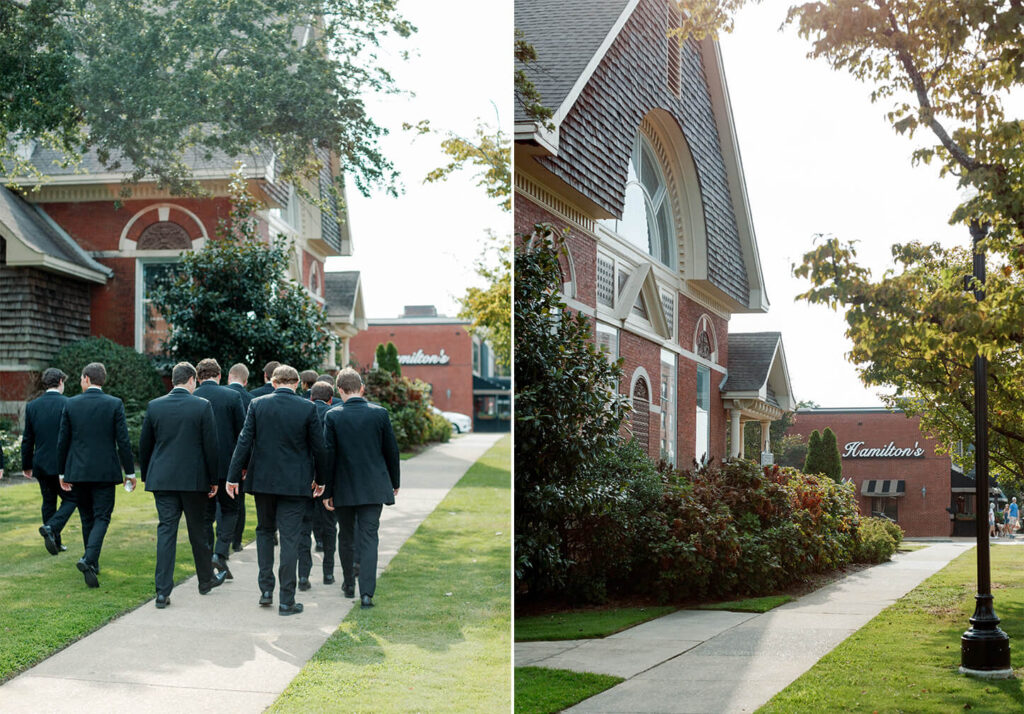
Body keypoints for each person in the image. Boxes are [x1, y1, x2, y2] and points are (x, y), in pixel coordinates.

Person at [226, 364, 328, 615]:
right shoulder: (307, 407)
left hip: (263, 482)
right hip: (295, 484)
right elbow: (319, 448)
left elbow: (243, 441)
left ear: (273, 383)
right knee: (290, 539)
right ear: (295, 383)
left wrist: (232, 477)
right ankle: (286, 599)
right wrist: (322, 479)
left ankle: (266, 590)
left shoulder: (258, 405)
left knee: (264, 532)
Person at [139, 362, 227, 607]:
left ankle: (162, 592)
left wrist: (148, 475)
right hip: (193, 480)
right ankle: (205, 580)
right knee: (198, 532)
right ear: (190, 379)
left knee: (166, 532)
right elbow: (211, 446)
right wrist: (213, 480)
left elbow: (145, 446)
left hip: (163, 479)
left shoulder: (155, 406)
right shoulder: (201, 406)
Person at [323, 368, 400, 608]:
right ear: (362, 388)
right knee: (369, 538)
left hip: (343, 487)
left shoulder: (333, 416)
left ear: (340, 390)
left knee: (345, 537)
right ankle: (366, 593)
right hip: (373, 486)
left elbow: (328, 456)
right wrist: (394, 482)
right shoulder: (380, 414)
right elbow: (391, 451)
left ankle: (348, 584)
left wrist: (326, 491)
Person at [56, 362, 136, 588]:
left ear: (86, 378)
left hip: (78, 471)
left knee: (87, 517)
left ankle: (92, 561)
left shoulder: (71, 404)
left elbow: (63, 441)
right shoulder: (114, 404)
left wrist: (62, 472)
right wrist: (129, 472)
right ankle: (90, 559)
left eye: (81, 379)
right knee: (102, 517)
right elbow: (123, 441)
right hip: (105, 472)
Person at [194, 358, 246, 578]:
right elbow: (242, 434)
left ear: (198, 377)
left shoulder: (191, 397)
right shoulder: (232, 397)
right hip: (228, 466)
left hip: (201, 468)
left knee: (205, 516)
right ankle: (221, 553)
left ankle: (209, 560)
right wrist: (243, 465)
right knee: (231, 510)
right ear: (219, 375)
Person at [23, 368, 77, 555]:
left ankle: (54, 541)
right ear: (61, 381)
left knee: (48, 502)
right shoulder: (69, 403)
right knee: (72, 498)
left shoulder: (32, 406)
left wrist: (26, 464)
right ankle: (52, 529)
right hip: (63, 463)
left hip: (41, 462)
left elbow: (28, 438)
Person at [297, 381, 338, 588]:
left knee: (303, 529)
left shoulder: (302, 412)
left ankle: (303, 575)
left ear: (311, 397)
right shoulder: (335, 415)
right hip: (328, 481)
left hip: (304, 480)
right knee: (330, 527)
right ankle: (328, 572)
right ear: (330, 399)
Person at [225, 363, 253, 552]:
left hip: (220, 455)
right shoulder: (252, 399)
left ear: (229, 377)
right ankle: (237, 540)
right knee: (239, 500)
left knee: (222, 502)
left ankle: (223, 540)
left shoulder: (221, 396)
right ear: (245, 380)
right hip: (241, 457)